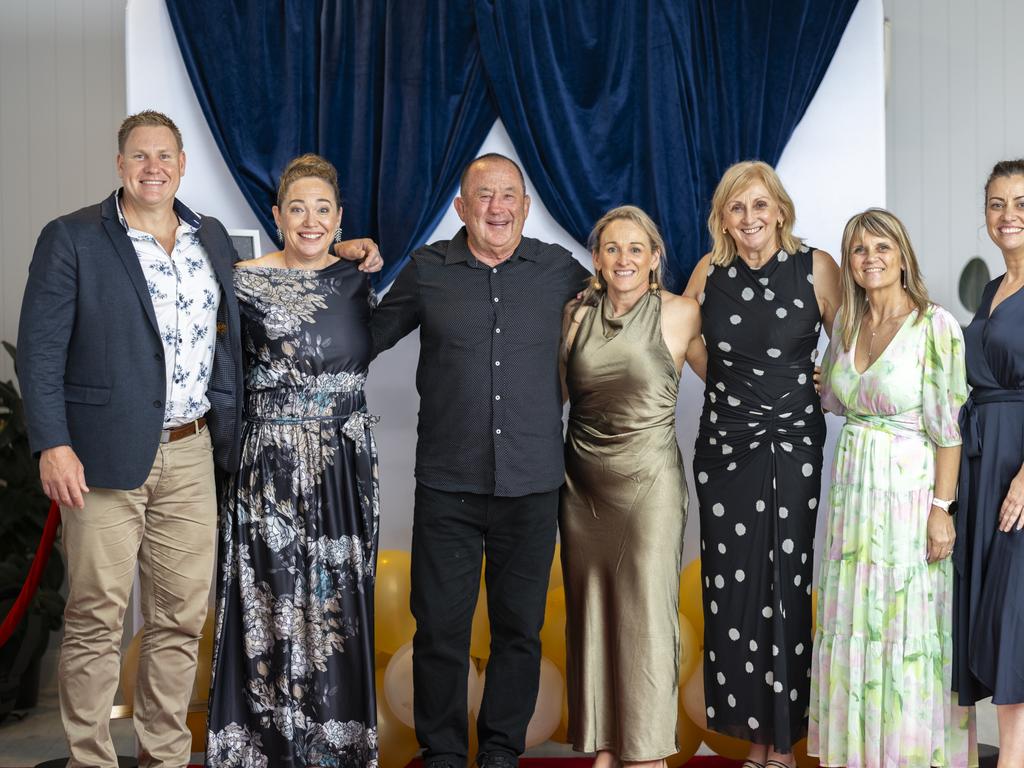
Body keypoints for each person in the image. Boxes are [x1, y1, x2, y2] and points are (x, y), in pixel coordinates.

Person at [16, 111, 381, 768]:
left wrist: (346, 250)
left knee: (181, 619)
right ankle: (90, 759)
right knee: (97, 616)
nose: (153, 168)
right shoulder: (72, 238)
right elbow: (39, 352)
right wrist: (52, 443)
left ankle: (162, 756)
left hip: (192, 452)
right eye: (139, 156)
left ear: (182, 164)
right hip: (100, 454)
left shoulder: (210, 240)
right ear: (120, 164)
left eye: (165, 156)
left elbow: (281, 286)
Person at [371, 153, 591, 768]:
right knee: (440, 631)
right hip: (448, 483)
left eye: (509, 196)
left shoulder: (560, 270)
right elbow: (361, 338)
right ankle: (441, 753)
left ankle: (500, 753)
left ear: (524, 205)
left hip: (533, 482)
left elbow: (624, 319)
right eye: (482, 196)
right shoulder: (428, 270)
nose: (497, 207)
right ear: (461, 207)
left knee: (518, 633)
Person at [204, 154, 380, 767]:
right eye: (297, 209)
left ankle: (338, 748)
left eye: (323, 210)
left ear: (340, 219)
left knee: (338, 605)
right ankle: (263, 751)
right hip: (266, 468)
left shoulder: (361, 280)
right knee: (266, 598)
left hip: (343, 468)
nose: (311, 221)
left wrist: (360, 251)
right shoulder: (239, 280)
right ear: (277, 216)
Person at [682, 160, 841, 768]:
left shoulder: (815, 266)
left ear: (780, 208)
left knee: (787, 582)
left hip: (794, 443)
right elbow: (682, 334)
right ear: (723, 217)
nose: (749, 219)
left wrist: (826, 384)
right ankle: (755, 738)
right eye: (736, 208)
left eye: (758, 205)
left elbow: (848, 341)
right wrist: (727, 384)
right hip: (725, 446)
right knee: (733, 590)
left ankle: (784, 740)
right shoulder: (709, 271)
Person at [809, 208, 976, 767]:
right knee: (856, 619)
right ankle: (859, 754)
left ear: (902, 255)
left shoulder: (935, 326)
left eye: (882, 248)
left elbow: (949, 427)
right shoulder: (847, 327)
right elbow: (832, 395)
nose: (870, 259)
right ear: (850, 263)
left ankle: (907, 756)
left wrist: (941, 509)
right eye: (859, 250)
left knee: (905, 622)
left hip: (908, 493)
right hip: (853, 494)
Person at [559, 206, 702, 767]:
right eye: (612, 248)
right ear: (597, 258)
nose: (624, 259)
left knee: (645, 615)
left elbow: (732, 376)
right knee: (591, 613)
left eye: (636, 249)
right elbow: (550, 396)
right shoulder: (575, 317)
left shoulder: (682, 313)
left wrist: (806, 375)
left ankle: (646, 752)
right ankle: (606, 746)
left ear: (655, 258)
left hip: (649, 484)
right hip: (582, 487)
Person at [954, 159, 1024, 767]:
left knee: (1012, 607)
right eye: (998, 204)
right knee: (987, 607)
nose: (1009, 216)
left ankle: (1014, 758)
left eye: (1021, 203)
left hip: (1020, 465)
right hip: (983, 459)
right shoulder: (990, 291)